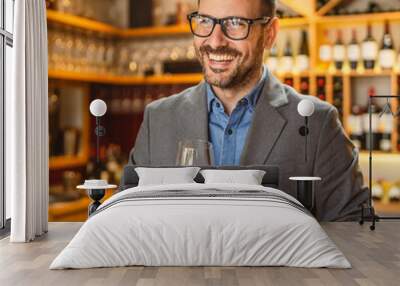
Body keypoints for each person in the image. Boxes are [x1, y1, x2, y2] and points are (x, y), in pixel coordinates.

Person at [128, 0, 368, 221]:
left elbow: (354, 233)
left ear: (270, 34)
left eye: (235, 23)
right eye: (205, 21)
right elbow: (126, 221)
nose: (215, 40)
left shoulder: (318, 123)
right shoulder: (157, 119)